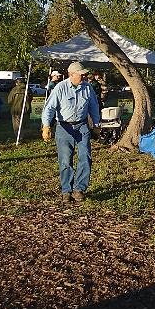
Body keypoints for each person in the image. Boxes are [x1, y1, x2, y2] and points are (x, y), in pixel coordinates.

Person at [41, 61, 101, 203]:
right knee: (65, 159)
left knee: (85, 157)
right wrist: (46, 126)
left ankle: (79, 189)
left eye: (85, 74)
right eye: (81, 74)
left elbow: (93, 106)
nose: (84, 76)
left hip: (82, 125)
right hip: (64, 127)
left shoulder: (87, 88)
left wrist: (97, 124)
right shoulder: (60, 88)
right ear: (71, 74)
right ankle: (66, 191)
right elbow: (49, 108)